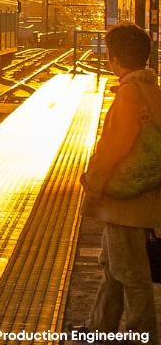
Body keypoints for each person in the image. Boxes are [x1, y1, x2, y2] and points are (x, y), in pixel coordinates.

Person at [79, 23, 161, 342]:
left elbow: (114, 145)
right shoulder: (152, 88)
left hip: (125, 199)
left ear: (114, 59)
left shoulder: (129, 93)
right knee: (112, 263)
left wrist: (92, 182)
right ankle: (99, 327)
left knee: (130, 272)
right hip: (144, 191)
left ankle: (144, 334)